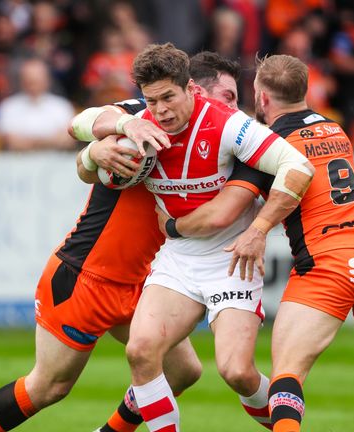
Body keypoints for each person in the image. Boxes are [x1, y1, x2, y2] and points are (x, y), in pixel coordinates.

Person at [0, 50, 262, 432]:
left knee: (183, 371)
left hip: (142, 281)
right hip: (85, 274)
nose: (236, 107)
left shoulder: (228, 138)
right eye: (229, 97)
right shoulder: (148, 117)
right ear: (195, 90)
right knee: (49, 387)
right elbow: (82, 122)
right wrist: (98, 146)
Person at [169, 55, 354, 432]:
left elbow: (225, 212)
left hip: (330, 260)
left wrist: (174, 226)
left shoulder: (267, 144)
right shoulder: (335, 129)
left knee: (287, 375)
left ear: (262, 98)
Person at [71, 43, 314, 432]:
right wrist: (119, 129)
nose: (161, 110)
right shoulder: (141, 119)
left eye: (169, 97)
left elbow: (297, 166)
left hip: (231, 258)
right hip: (179, 258)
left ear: (190, 89)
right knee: (140, 350)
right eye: (152, 101)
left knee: (236, 372)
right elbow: (78, 124)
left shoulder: (228, 124)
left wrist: (259, 230)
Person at [0, 58, 75, 151]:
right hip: (17, 162)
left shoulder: (62, 106)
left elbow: (68, 140)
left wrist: (31, 142)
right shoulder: (8, 106)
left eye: (37, 80)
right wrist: (50, 141)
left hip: (56, 161)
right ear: (22, 81)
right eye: (29, 81)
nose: (33, 85)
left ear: (47, 80)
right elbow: (8, 141)